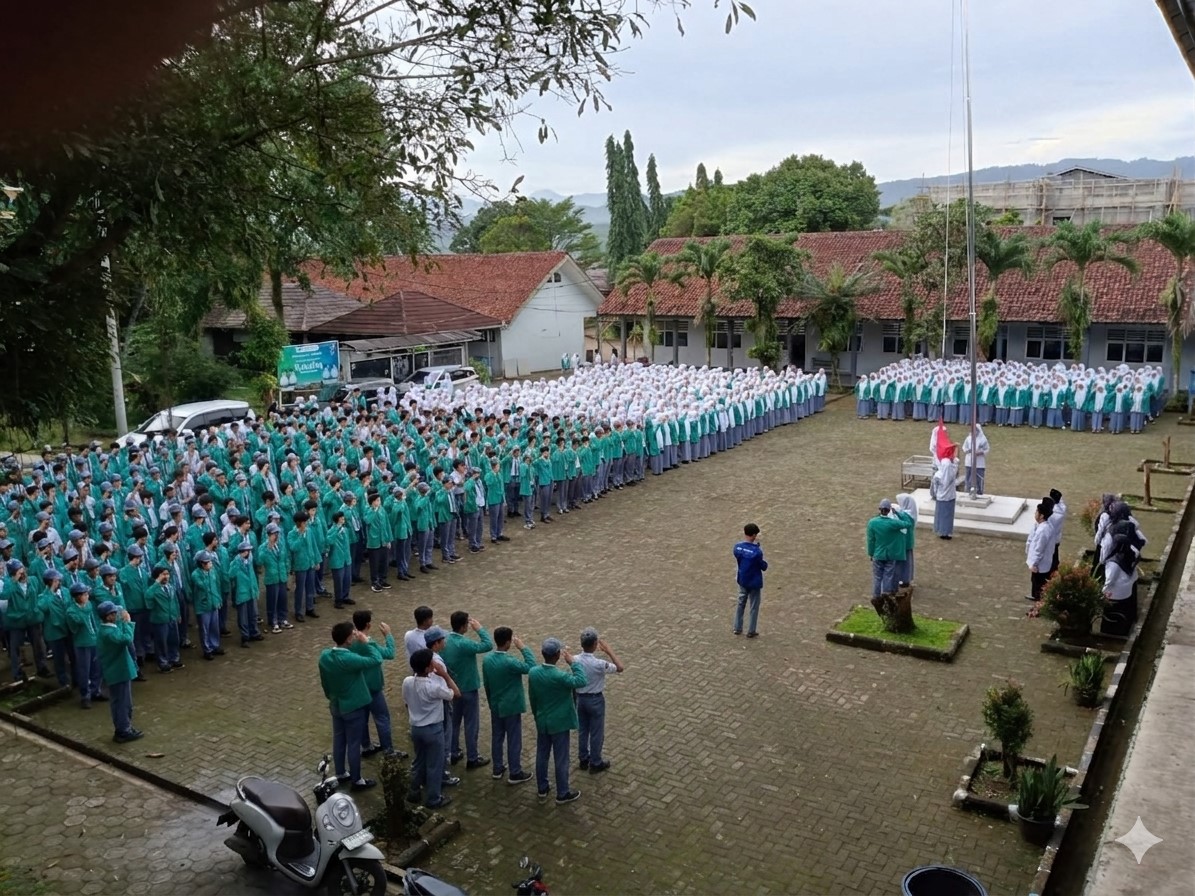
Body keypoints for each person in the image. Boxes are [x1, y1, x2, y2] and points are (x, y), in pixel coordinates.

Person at [317, 620, 382, 791]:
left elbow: (324, 682)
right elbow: (375, 659)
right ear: (347, 639)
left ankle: (340, 772)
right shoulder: (349, 659)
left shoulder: (324, 656)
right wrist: (366, 642)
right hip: (353, 706)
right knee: (354, 743)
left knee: (339, 739)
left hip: (336, 704)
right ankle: (357, 779)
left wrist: (330, 696)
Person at [528, 637, 587, 804]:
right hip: (559, 723)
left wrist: (536, 714)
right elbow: (581, 681)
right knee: (561, 758)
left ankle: (542, 787)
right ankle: (563, 792)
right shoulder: (560, 676)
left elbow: (532, 697)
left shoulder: (533, 673)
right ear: (557, 655)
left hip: (542, 720)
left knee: (542, 755)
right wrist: (573, 663)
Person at [403, 647, 458, 810]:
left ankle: (413, 791)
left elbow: (406, 701)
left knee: (418, 761)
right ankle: (434, 798)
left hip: (416, 728)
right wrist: (444, 674)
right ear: (427, 668)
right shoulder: (433, 688)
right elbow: (454, 693)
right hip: (433, 729)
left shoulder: (407, 682)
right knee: (435, 764)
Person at [481, 626, 535, 785]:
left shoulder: (487, 660)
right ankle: (515, 772)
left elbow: (486, 684)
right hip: (511, 706)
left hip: (496, 705)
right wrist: (523, 648)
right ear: (507, 642)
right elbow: (531, 667)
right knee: (513, 740)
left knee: (497, 737)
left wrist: (491, 702)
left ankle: (497, 768)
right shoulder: (510, 662)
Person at [352, 610, 407, 760]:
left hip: (358, 687)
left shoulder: (350, 641)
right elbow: (389, 653)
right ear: (368, 624)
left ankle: (366, 745)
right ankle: (388, 750)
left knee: (362, 719)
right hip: (374, 687)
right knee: (382, 718)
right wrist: (388, 635)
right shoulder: (370, 644)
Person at [441, 611, 493, 769]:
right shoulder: (464, 643)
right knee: (471, 724)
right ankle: (472, 757)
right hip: (469, 688)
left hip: (452, 687)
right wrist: (480, 629)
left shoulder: (445, 641)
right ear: (464, 626)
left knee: (454, 722)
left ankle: (453, 751)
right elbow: (487, 645)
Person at [575, 627, 623, 773]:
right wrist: (609, 651)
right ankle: (596, 762)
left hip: (580, 699)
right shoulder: (599, 664)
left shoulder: (575, 660)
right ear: (595, 644)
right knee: (596, 732)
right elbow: (620, 667)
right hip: (595, 700)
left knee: (583, 730)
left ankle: (583, 758)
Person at [95, 601, 142, 742]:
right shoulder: (108, 633)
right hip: (118, 672)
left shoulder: (109, 629)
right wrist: (128, 622)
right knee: (122, 702)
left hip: (118, 671)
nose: (117, 615)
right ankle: (123, 730)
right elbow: (126, 639)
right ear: (107, 616)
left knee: (122, 701)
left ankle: (125, 726)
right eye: (114, 613)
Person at [866, 499, 908, 605]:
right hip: (890, 554)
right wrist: (898, 513)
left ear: (879, 509)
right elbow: (908, 523)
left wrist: (871, 553)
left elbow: (871, 540)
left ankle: (876, 596)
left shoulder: (872, 523)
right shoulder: (893, 523)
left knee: (877, 577)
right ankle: (887, 595)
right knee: (888, 575)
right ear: (889, 510)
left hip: (878, 554)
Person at [732, 523, 768, 638]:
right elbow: (763, 566)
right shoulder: (757, 552)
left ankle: (737, 627)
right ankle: (751, 630)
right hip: (754, 582)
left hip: (742, 579)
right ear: (753, 535)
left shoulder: (737, 547)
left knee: (741, 602)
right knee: (754, 605)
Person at [1025, 502, 1054, 602]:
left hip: (1040, 564)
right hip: (1042, 563)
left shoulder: (1043, 530)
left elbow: (1039, 549)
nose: (1035, 513)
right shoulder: (1043, 527)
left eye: (1037, 512)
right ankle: (1035, 598)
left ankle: (1038, 605)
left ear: (1042, 516)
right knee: (1035, 582)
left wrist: (1034, 563)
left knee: (1039, 585)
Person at [930, 445, 958, 539]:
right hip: (948, 496)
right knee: (946, 515)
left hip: (941, 496)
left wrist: (935, 494)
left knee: (942, 514)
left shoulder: (939, 474)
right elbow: (953, 471)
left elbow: (935, 486)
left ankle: (941, 531)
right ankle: (945, 532)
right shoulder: (950, 472)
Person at [893, 493, 918, 588]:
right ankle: (907, 578)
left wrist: (896, 512)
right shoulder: (911, 512)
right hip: (908, 541)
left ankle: (902, 579)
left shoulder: (906, 515)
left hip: (903, 542)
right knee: (908, 561)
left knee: (902, 562)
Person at [961, 423, 990, 495]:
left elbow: (987, 449)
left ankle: (979, 492)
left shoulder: (983, 439)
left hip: (979, 463)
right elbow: (964, 447)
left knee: (979, 477)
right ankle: (968, 491)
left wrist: (980, 452)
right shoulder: (969, 438)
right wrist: (967, 450)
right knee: (968, 476)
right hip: (969, 461)